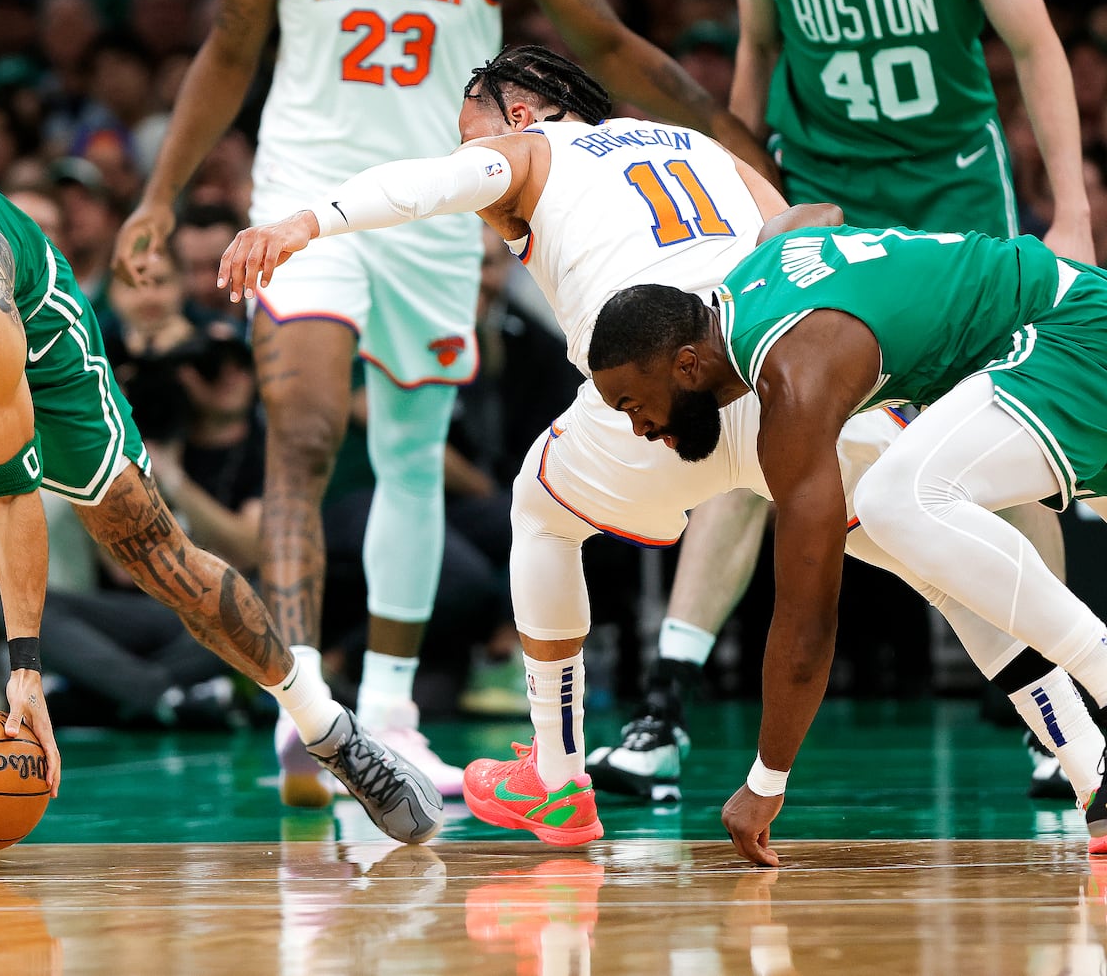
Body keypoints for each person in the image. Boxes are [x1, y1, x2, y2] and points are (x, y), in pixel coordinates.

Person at [217, 45, 1107, 845]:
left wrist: (309, 220)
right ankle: (1088, 769)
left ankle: (558, 779)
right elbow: (798, 235)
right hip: (770, 367)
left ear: (518, 113)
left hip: (651, 389)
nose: (468, 153)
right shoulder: (699, 146)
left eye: (470, 132)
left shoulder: (532, 151)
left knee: (540, 510)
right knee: (942, 567)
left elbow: (430, 186)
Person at [112, 0, 779, 811]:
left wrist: (727, 138)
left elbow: (601, 45)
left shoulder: (519, 126)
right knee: (304, 435)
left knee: (428, 462)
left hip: (442, 212)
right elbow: (229, 45)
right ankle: (307, 702)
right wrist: (159, 195)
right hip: (309, 184)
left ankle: (399, 718)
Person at [0, 167, 445, 867]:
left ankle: (329, 728)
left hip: (22, 334)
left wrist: (25, 670)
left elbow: (9, 492)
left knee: (157, 554)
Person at [596, 0, 1101, 807]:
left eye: (631, 410)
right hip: (825, 191)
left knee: (969, 489)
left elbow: (1034, 41)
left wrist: (1073, 211)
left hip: (955, 194)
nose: (640, 427)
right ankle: (665, 703)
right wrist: (753, 201)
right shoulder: (759, 316)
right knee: (766, 458)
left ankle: (1066, 716)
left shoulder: (783, 348)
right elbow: (758, 57)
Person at [586, 222, 1107, 865]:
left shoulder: (793, 377)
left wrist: (765, 782)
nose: (638, 428)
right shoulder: (756, 276)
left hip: (1066, 335)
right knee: (935, 564)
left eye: (633, 404)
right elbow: (815, 215)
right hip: (1060, 331)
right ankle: (1091, 771)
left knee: (897, 498)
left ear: (687, 365)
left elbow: (807, 620)